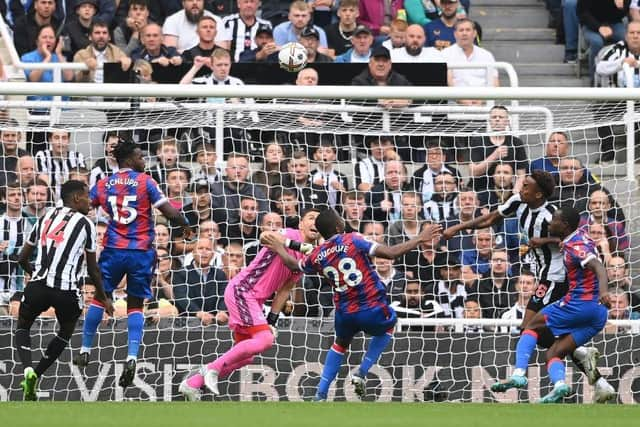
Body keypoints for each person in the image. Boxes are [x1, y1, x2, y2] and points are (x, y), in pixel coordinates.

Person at [443, 170, 616, 402]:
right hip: (543, 276)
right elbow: (491, 218)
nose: (521, 188)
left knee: (530, 327)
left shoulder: (551, 216)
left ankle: (520, 374)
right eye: (522, 185)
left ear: (537, 194)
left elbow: (569, 240)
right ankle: (591, 370)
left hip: (558, 279)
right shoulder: (518, 201)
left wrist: (543, 241)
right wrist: (458, 227)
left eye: (526, 186)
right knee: (544, 335)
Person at [261, 208, 442, 401]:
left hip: (344, 312)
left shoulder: (317, 254)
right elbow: (390, 253)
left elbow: (293, 265)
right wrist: (419, 238)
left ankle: (320, 394)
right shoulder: (353, 239)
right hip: (371, 305)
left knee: (340, 345)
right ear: (339, 226)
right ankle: (361, 373)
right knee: (390, 322)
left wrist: (280, 247)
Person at [74, 139, 192, 388]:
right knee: (135, 303)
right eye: (140, 156)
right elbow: (169, 212)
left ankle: (85, 348)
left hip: (113, 250)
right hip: (140, 252)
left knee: (99, 297)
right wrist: (185, 226)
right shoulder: (145, 181)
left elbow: (85, 205)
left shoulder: (104, 183)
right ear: (129, 159)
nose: (143, 160)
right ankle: (131, 356)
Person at [178, 208, 321, 400]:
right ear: (301, 223)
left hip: (254, 300)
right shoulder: (289, 233)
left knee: (247, 355)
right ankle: (209, 369)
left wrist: (272, 320)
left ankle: (192, 383)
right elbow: (265, 236)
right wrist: (295, 245)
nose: (315, 223)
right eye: (311, 218)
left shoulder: (306, 258)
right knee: (265, 340)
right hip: (243, 290)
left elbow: (285, 290)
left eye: (319, 220)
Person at [491, 207, 612, 403]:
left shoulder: (575, 246)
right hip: (598, 315)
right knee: (554, 352)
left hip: (579, 304)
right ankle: (560, 385)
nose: (550, 223)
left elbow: (597, 265)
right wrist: (545, 241)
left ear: (564, 225)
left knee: (531, 326)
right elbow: (566, 241)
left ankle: (519, 373)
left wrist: (605, 291)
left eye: (554, 220)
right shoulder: (577, 235)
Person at [14, 180, 112, 400]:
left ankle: (28, 369)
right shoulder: (86, 224)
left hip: (38, 286)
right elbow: (94, 269)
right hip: (66, 291)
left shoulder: (45, 217)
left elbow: (22, 258)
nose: (91, 202)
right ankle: (37, 375)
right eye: (87, 196)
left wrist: (36, 274)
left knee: (23, 326)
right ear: (77, 198)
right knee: (65, 332)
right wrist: (104, 298)